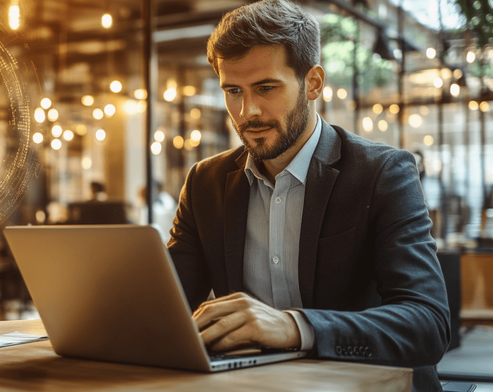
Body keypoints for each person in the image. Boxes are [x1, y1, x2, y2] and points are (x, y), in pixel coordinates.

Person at [166, 1, 450, 391]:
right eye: (233, 91)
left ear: (313, 83)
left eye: (266, 88)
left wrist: (295, 326)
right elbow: (167, 304)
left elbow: (428, 325)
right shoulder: (205, 182)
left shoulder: (382, 173)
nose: (247, 111)